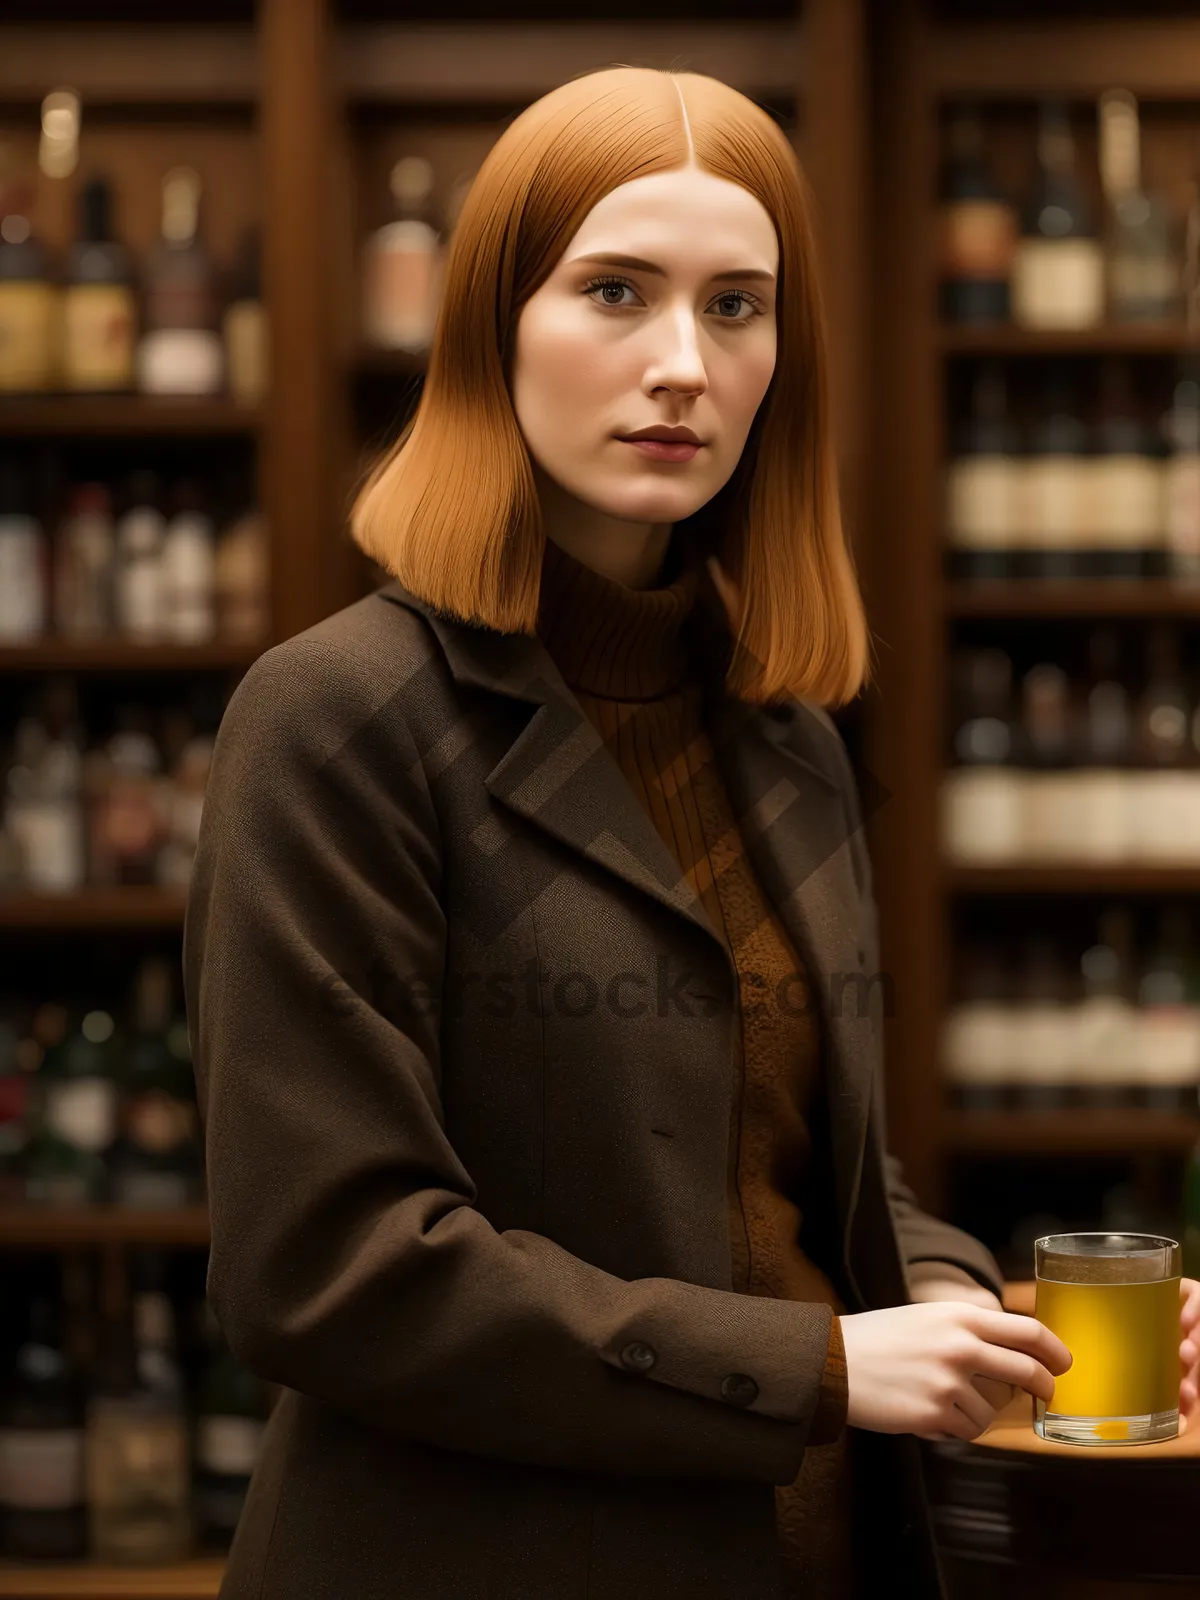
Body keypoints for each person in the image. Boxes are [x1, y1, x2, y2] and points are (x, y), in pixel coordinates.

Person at [184, 65, 1197, 1600]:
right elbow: (331, 1270)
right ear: (491, 329)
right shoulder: (336, 717)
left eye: (737, 307)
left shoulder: (785, 736)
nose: (683, 364)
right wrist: (824, 1365)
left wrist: (968, 1312)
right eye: (615, 292)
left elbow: (810, 1177)